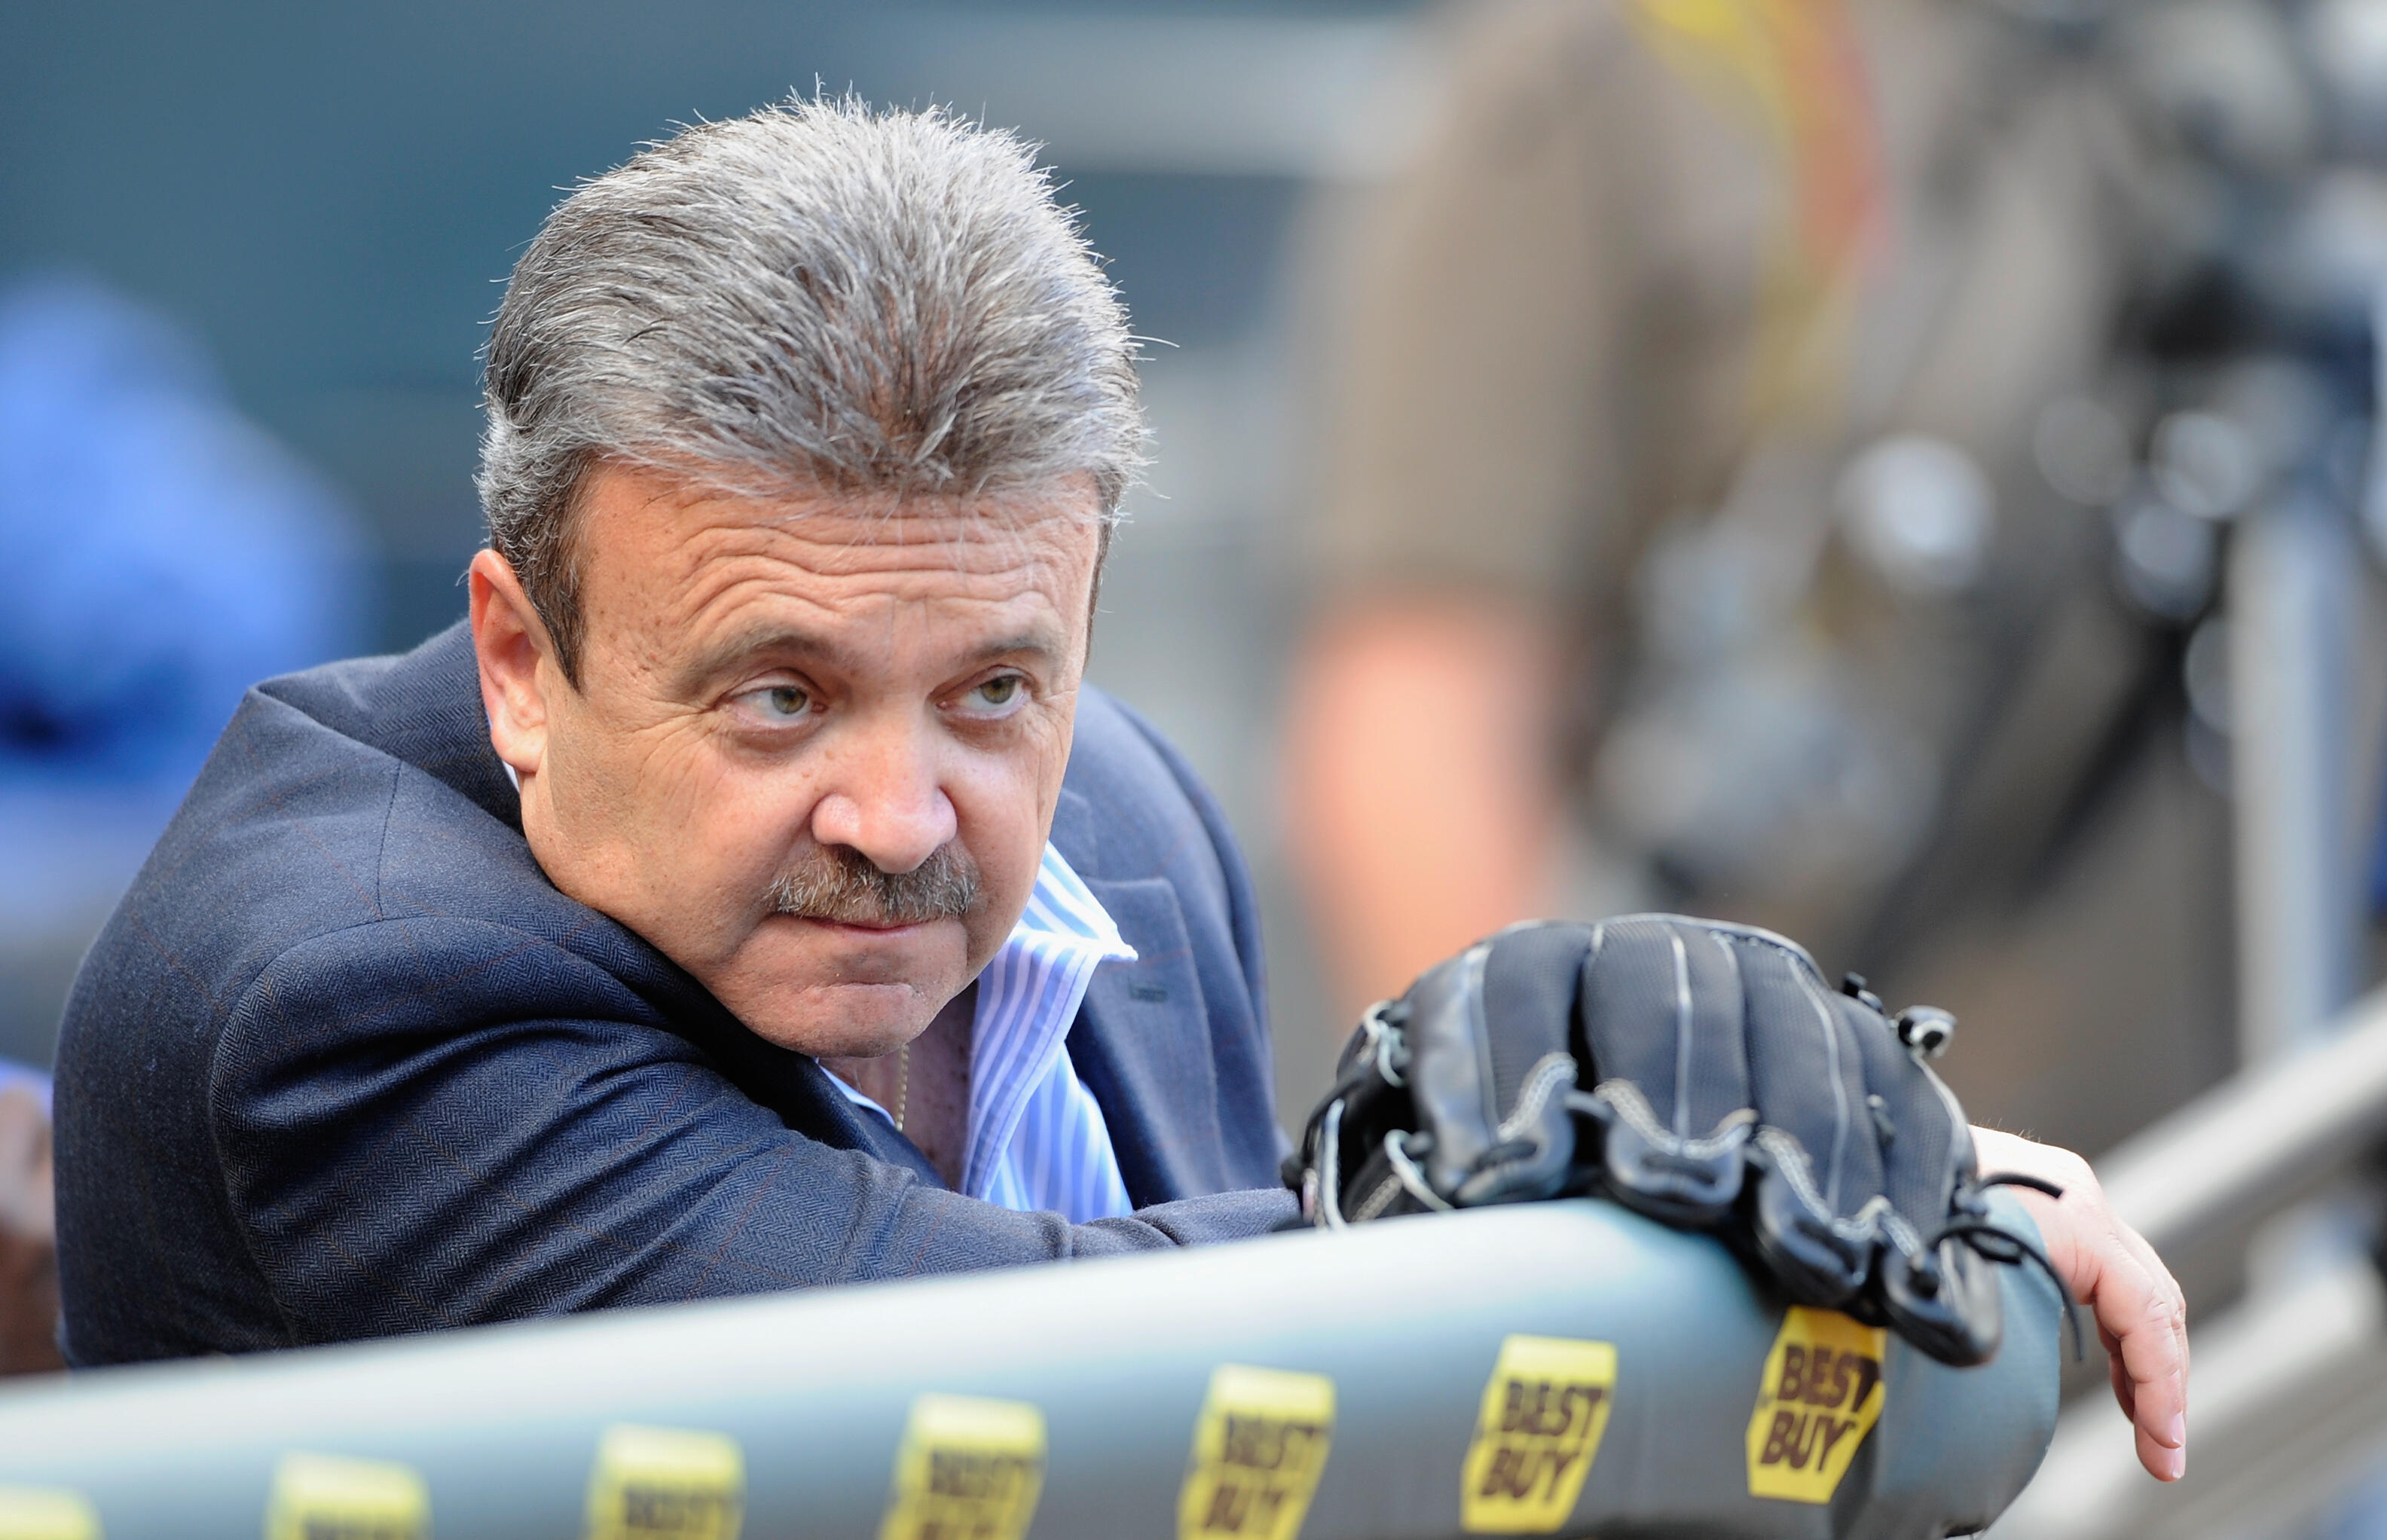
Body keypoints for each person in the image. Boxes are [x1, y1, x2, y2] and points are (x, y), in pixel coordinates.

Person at [52, 99, 2183, 1484]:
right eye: (780, 697)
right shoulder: (335, 988)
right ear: (525, 660)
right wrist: (1535, 1183)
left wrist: (1814, 1158)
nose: (903, 812)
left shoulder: (1132, 817)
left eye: (994, 686)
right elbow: (1010, 1408)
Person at [1283, 0, 2234, 1171]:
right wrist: (1557, 1198)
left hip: (2294, 1214)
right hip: (1864, 1249)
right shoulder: (1605, 82)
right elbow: (1422, 734)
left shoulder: (2253, 77)